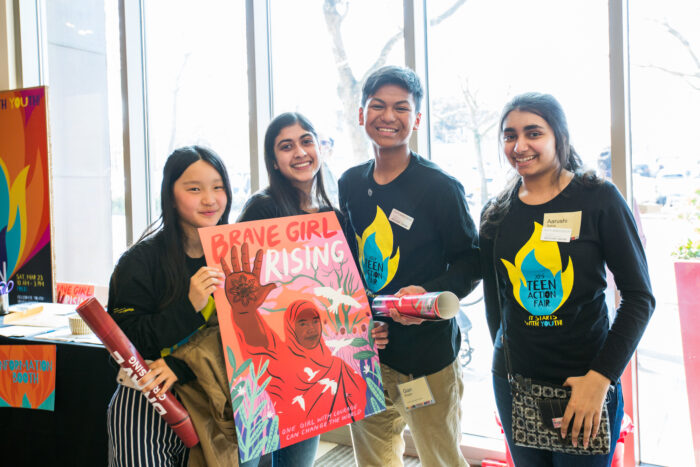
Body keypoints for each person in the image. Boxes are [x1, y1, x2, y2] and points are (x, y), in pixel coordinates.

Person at [479, 92, 655, 466]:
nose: (520, 145)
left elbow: (640, 297)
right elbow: (498, 305)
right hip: (515, 383)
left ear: (559, 136)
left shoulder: (598, 199)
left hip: (585, 382)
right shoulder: (497, 212)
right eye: (510, 135)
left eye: (533, 133)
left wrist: (601, 378)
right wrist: (505, 366)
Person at [338, 65, 480, 467]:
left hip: (428, 358)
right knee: (373, 458)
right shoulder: (349, 183)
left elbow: (471, 261)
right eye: (378, 105)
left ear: (416, 119)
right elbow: (348, 262)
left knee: (441, 458)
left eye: (401, 108)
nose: (388, 116)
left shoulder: (440, 187)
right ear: (360, 113)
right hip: (368, 352)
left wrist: (429, 294)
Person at [236, 112, 389, 467]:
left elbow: (349, 290)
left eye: (307, 141)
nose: (300, 152)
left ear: (319, 148)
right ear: (274, 160)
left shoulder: (333, 217)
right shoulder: (262, 209)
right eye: (286, 146)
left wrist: (365, 328)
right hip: (266, 368)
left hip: (313, 367)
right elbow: (241, 285)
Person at [106, 146, 232, 466]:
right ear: (170, 195)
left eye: (218, 187)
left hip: (217, 399)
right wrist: (189, 306)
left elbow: (246, 342)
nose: (210, 198)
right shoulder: (139, 262)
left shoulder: (237, 254)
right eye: (194, 189)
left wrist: (184, 367)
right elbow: (127, 343)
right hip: (149, 401)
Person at [221, 246, 368, 428]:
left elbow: (362, 398)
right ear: (290, 328)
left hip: (314, 433)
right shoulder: (280, 361)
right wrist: (244, 312)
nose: (311, 329)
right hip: (287, 434)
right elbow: (257, 343)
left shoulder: (338, 367)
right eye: (302, 323)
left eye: (314, 321)